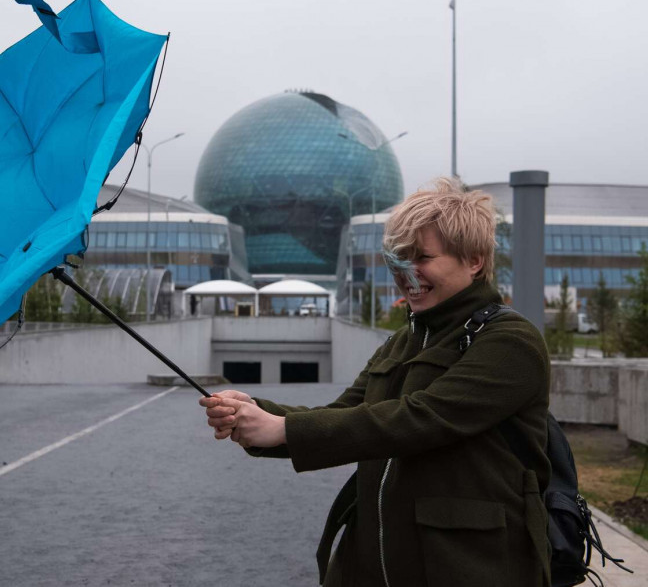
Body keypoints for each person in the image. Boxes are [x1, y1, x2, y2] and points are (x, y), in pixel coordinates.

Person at [199, 177, 551, 586]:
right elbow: (345, 414)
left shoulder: (510, 341)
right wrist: (258, 414)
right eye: (399, 258)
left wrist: (281, 429)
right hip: (375, 565)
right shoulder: (403, 341)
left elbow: (420, 419)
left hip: (466, 568)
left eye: (422, 258)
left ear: (473, 260)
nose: (406, 273)